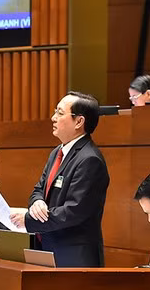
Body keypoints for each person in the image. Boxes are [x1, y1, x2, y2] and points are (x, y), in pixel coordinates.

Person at [10, 91, 110, 267]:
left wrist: (27, 220)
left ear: (79, 121)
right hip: (49, 248)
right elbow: (38, 189)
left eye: (60, 113)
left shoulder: (90, 159)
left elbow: (73, 211)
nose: (53, 118)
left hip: (74, 257)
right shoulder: (57, 152)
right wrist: (37, 202)